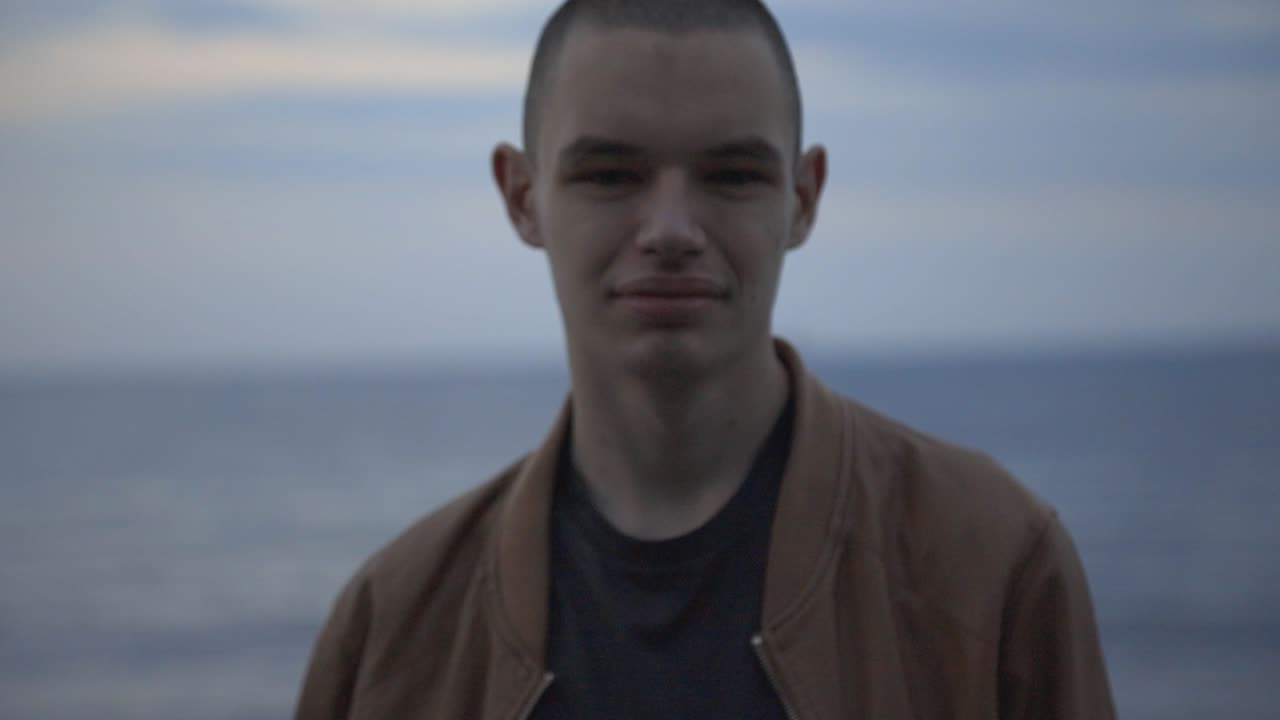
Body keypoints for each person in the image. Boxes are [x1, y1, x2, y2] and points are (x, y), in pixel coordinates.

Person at [295, 1, 1116, 718]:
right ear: (522, 196)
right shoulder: (392, 627)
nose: (671, 230)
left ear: (803, 198)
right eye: (612, 174)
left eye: (730, 175)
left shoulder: (992, 564)